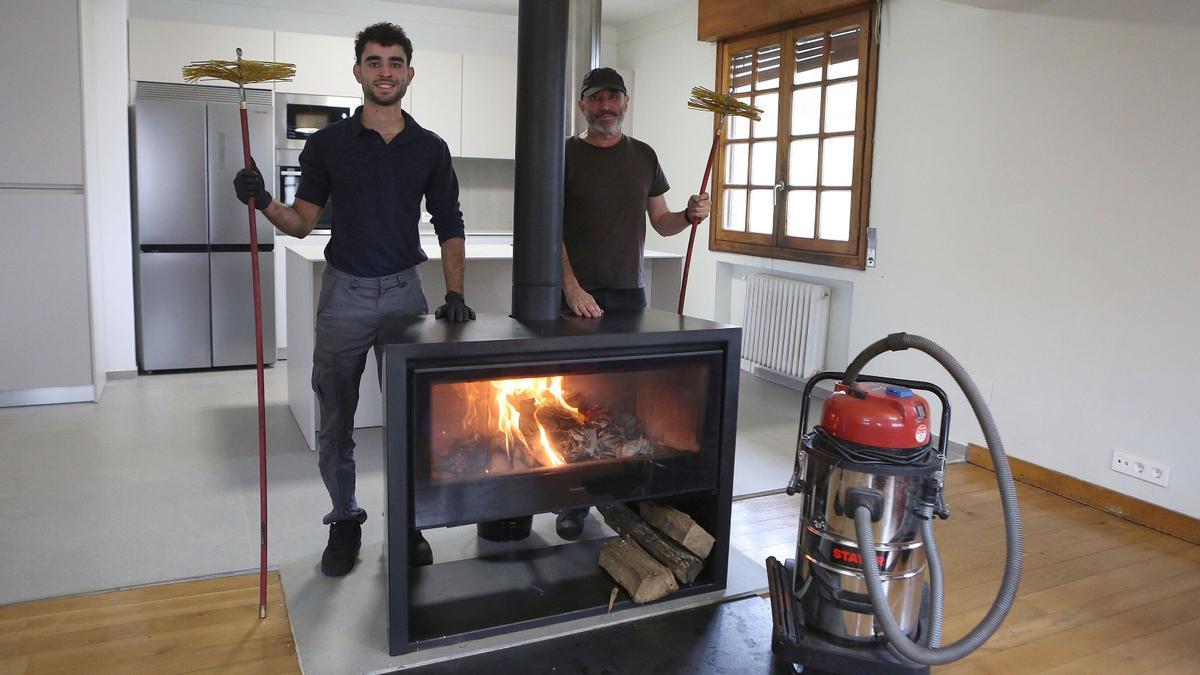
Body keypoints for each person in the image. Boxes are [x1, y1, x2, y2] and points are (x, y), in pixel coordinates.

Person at [233, 22, 475, 577]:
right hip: (344, 294)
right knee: (336, 415)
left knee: (412, 417)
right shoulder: (329, 144)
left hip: (404, 295)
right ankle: (344, 517)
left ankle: (408, 519)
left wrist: (455, 291)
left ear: (409, 73)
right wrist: (263, 199)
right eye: (374, 61)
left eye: (395, 62)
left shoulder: (429, 148)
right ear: (358, 71)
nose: (385, 71)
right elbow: (300, 224)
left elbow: (449, 223)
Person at [554, 67, 711, 538]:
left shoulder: (644, 155)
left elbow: (661, 222)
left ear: (626, 103)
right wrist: (571, 288)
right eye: (596, 98)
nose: (606, 106)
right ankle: (575, 500)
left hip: (629, 295)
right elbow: (549, 230)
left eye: (614, 98)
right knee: (577, 399)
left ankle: (622, 494)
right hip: (578, 295)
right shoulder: (563, 155)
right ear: (583, 106)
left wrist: (689, 214)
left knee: (625, 397)